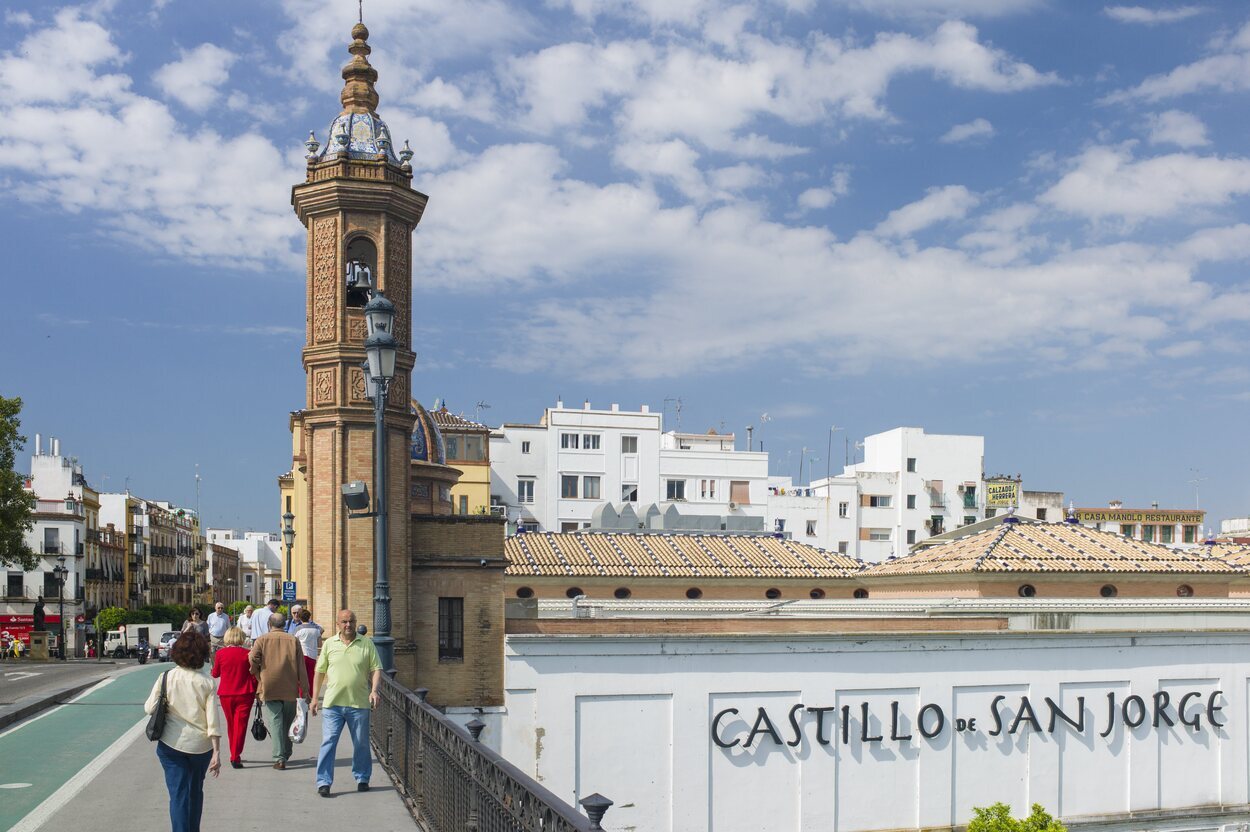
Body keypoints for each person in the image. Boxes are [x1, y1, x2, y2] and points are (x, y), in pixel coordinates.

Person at [144, 631, 221, 832]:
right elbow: (213, 720)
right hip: (200, 747)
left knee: (178, 794)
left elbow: (149, 708)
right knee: (195, 791)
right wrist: (217, 752)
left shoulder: (166, 677)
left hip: (171, 744)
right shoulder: (207, 682)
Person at [312, 609, 382, 796]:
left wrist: (374, 690)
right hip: (332, 704)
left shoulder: (366, 643)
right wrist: (314, 698)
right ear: (337, 624)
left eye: (351, 621)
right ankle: (323, 782)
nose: (348, 625)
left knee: (360, 743)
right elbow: (319, 672)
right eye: (344, 622)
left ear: (355, 622)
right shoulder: (329, 644)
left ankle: (362, 777)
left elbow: (376, 668)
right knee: (328, 742)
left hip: (359, 704)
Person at [248, 613, 308, 769]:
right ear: (284, 625)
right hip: (290, 687)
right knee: (288, 722)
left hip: (269, 685)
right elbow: (302, 667)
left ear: (269, 624)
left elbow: (253, 658)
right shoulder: (293, 640)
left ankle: (279, 757)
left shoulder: (262, 640)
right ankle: (287, 752)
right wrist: (306, 691)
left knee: (275, 722)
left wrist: (256, 671)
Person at [211, 626, 256, 769]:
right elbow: (253, 674)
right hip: (245, 693)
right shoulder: (247, 653)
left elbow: (215, 673)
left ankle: (234, 752)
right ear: (241, 638)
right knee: (240, 725)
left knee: (231, 725)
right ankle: (235, 755)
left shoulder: (220, 653)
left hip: (226, 694)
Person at [293, 609, 323, 696]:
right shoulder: (316, 630)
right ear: (309, 617)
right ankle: (310, 695)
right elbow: (320, 643)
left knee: (301, 677)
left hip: (302, 655)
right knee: (311, 676)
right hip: (313, 656)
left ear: (300, 618)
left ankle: (302, 695)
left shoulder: (297, 629)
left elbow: (294, 643)